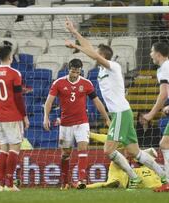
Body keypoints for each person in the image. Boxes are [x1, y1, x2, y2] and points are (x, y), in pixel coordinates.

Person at [64, 18, 167, 189]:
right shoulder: (102, 70)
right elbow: (90, 49)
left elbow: (92, 53)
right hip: (121, 112)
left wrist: (76, 47)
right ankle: (163, 174)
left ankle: (133, 177)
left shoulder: (113, 66)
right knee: (135, 152)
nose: (94, 53)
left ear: (103, 55)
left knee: (108, 150)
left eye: (97, 53)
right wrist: (74, 32)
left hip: (120, 112)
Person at [43, 58, 110, 190]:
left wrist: (106, 118)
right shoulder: (59, 83)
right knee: (65, 154)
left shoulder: (86, 83)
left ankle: (81, 180)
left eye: (78, 72)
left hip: (82, 123)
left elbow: (97, 101)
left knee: (83, 149)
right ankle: (65, 182)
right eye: (73, 71)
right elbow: (49, 102)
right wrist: (46, 117)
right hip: (65, 124)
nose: (75, 74)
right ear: (69, 69)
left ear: (80, 71)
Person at [0, 45, 30, 192]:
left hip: (0, 116)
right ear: (10, 56)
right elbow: (19, 97)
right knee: (14, 148)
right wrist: (24, 116)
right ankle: (9, 184)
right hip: (13, 116)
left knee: (3, 149)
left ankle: (1, 184)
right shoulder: (14, 73)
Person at [87, 133, 162, 189]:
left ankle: (115, 183)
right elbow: (106, 138)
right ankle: (115, 183)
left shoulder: (131, 149)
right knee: (112, 181)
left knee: (114, 181)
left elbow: (140, 157)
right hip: (117, 165)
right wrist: (90, 134)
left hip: (123, 172)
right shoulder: (120, 143)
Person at [142, 41, 169, 192]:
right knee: (165, 144)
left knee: (165, 144)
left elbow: (164, 93)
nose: (150, 54)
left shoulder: (164, 68)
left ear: (158, 54)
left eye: (152, 51)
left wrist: (151, 114)